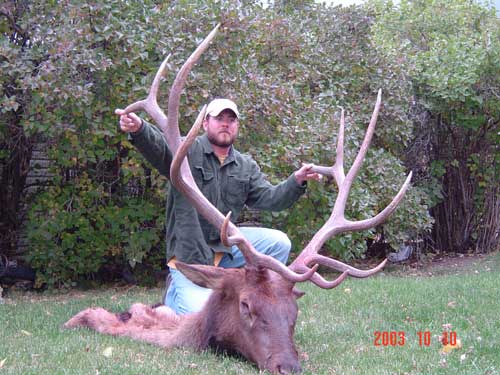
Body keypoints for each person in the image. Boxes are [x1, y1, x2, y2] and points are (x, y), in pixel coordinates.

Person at [115, 98, 320, 314]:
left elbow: (271, 199)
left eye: (231, 120)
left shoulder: (244, 165)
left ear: (237, 126)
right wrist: (139, 129)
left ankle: (258, 299)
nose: (225, 124)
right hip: (190, 254)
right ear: (205, 124)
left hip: (225, 248)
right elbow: (158, 146)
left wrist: (296, 181)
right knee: (201, 318)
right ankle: (174, 294)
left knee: (279, 243)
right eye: (219, 119)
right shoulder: (185, 150)